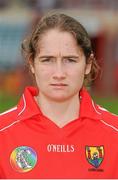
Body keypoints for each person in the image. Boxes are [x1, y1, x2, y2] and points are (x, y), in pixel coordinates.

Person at [0, 12, 118, 179]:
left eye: (70, 60)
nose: (59, 73)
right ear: (32, 63)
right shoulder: (3, 132)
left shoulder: (114, 133)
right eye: (47, 59)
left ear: (88, 65)